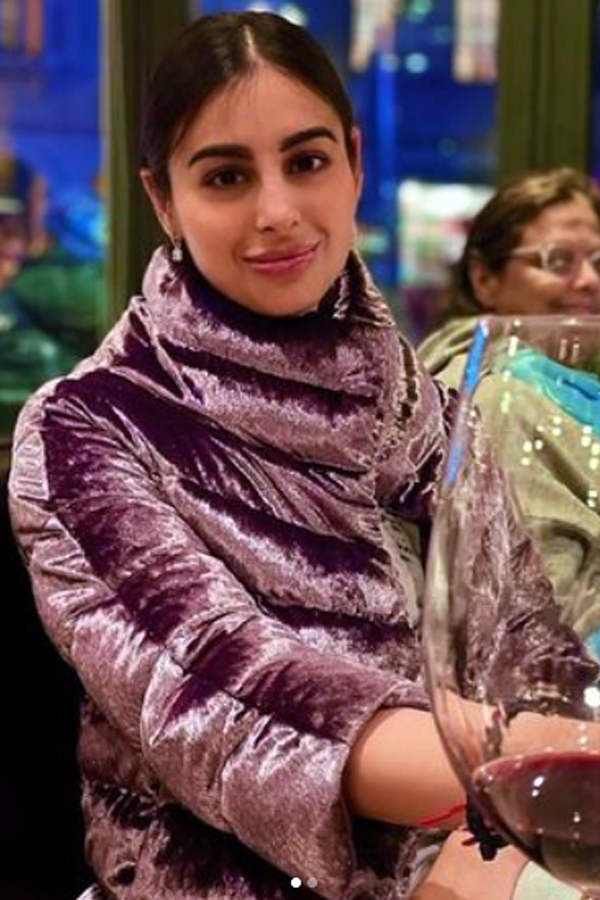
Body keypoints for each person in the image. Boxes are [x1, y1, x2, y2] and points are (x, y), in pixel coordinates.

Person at [8, 15, 592, 900]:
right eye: (226, 176)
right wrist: (518, 782)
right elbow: (231, 703)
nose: (277, 211)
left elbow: (531, 651)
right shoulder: (87, 428)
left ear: (353, 162)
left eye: (307, 161)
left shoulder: (432, 411)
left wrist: (501, 842)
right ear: (163, 199)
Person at [419, 168, 600, 638]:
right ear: (484, 278)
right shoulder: (494, 395)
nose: (588, 280)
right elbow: (539, 626)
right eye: (558, 261)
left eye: (598, 261)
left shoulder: (570, 387)